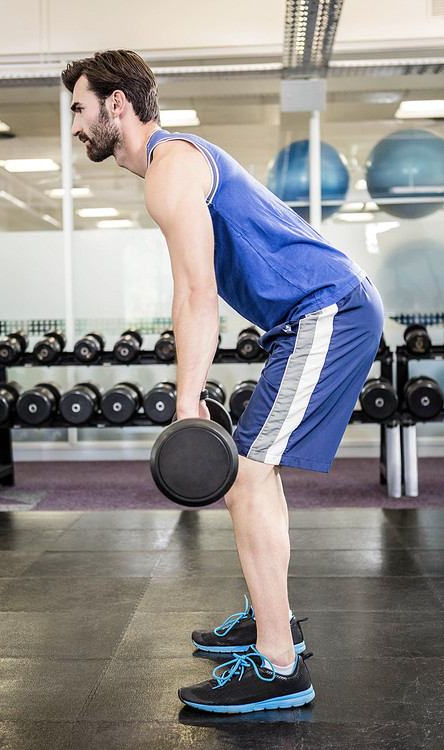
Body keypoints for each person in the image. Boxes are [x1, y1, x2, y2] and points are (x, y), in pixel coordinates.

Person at [61, 50, 384, 714]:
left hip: (328, 310)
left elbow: (196, 293)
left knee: (246, 476)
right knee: (255, 475)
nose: (74, 127)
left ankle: (277, 664)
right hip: (308, 317)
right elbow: (197, 290)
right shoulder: (176, 162)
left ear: (115, 104)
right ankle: (274, 621)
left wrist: (187, 402)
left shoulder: (170, 167)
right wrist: (196, 386)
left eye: (78, 108)